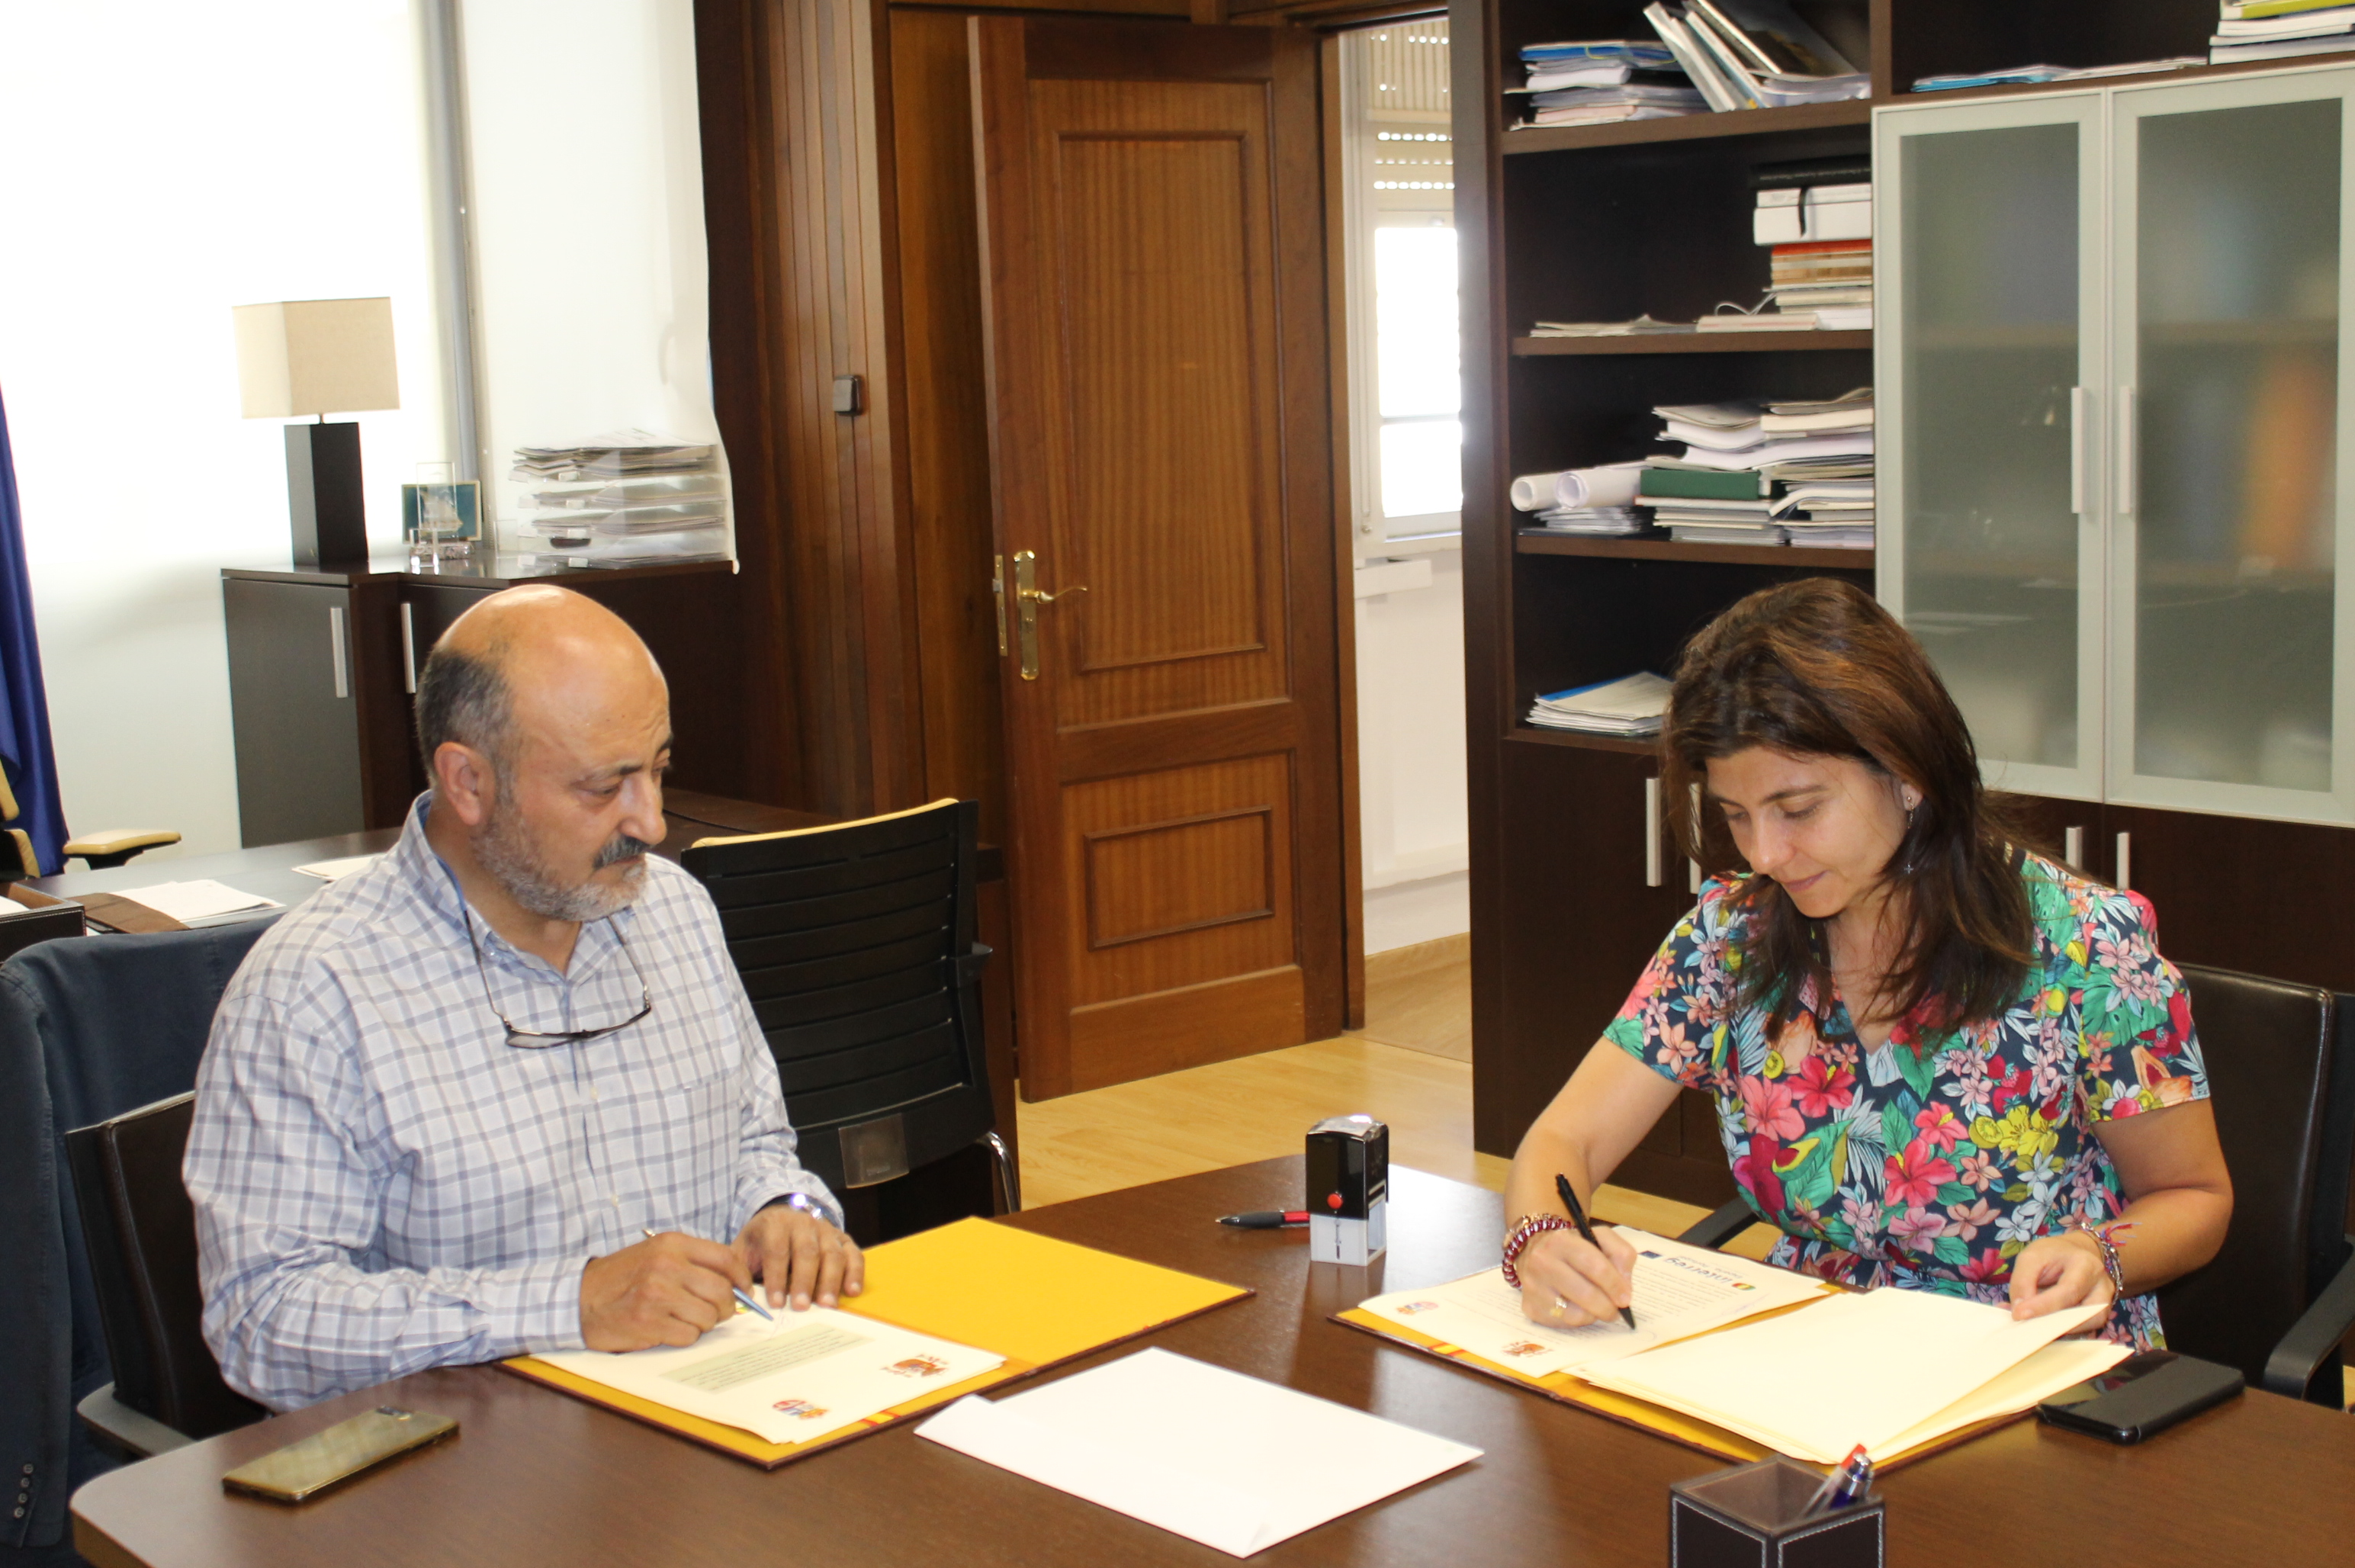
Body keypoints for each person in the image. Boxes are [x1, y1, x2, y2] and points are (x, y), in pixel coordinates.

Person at [1502, 580, 2231, 1351]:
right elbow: (1564, 1142)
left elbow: (2194, 1196)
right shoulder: (1730, 937)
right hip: (1812, 1351)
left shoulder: (2087, 947)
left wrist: (2099, 1254)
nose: (1765, 854)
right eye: (1736, 815)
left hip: (2030, 1356)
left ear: (1906, 771)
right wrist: (1543, 1238)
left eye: (1798, 809)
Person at [187, 586, 863, 1409]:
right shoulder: (315, 989)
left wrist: (782, 1207)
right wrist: (567, 1306)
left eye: (657, 771)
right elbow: (263, 1320)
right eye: (604, 787)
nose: (651, 823)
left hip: (716, 1403)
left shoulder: (675, 912)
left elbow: (756, 1141)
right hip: (481, 1454)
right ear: (468, 782)